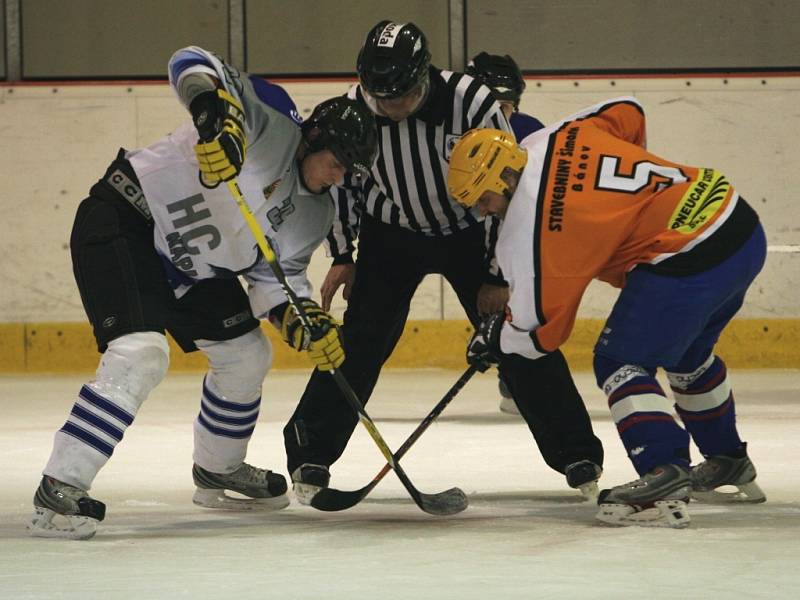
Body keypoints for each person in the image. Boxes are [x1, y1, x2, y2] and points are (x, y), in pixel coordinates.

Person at [28, 46, 377, 540]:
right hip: (127, 220)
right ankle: (58, 488)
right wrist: (213, 112)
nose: (341, 176)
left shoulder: (316, 215)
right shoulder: (269, 118)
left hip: (194, 272)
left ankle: (218, 469)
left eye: (351, 171)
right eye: (339, 163)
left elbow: (274, 281)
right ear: (313, 139)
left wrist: (300, 321)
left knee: (247, 355)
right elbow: (190, 60)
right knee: (140, 355)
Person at [284, 21, 604, 506]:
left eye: (401, 96)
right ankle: (311, 452)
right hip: (390, 232)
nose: (389, 107)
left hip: (469, 230)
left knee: (513, 333)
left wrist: (498, 274)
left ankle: (576, 452)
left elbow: (505, 182)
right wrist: (344, 254)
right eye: (380, 96)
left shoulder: (473, 102)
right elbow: (344, 182)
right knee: (362, 339)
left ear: (424, 76)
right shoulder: (357, 105)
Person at [447, 96, 767, 528]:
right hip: (735, 221)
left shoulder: (529, 229)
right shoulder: (551, 137)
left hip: (685, 256)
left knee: (619, 360)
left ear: (505, 176)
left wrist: (493, 340)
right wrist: (627, 207)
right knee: (687, 356)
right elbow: (627, 109)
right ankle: (728, 458)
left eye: (483, 199)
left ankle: (663, 469)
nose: (482, 211)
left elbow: (541, 332)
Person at [466, 51, 545, 415]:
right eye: (492, 105)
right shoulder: (452, 135)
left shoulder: (530, 134)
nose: (501, 117)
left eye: (507, 107)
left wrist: (497, 275)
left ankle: (520, 377)